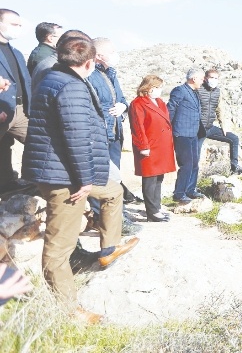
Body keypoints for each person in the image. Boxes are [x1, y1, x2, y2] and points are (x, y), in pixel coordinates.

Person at [21, 36, 139, 323]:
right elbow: (76, 138)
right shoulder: (70, 86)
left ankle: (108, 248)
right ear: (89, 62)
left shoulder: (55, 77)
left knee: (112, 192)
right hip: (65, 177)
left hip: (68, 170)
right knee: (58, 248)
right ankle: (68, 310)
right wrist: (84, 181)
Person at [86, 37, 143, 211]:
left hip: (115, 133)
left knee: (114, 175)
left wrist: (122, 106)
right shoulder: (90, 75)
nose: (115, 54)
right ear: (100, 55)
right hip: (100, 133)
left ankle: (114, 214)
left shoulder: (111, 73)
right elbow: (93, 105)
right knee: (100, 177)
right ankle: (99, 215)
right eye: (112, 52)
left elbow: (122, 98)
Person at [129, 75, 174, 222]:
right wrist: (143, 146)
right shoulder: (138, 104)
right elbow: (138, 127)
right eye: (157, 88)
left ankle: (157, 207)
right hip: (149, 145)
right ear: (148, 88)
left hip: (161, 145)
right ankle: (152, 212)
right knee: (150, 178)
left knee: (159, 177)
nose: (159, 91)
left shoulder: (160, 102)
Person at [0, 9, 32, 194]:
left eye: (20, 25)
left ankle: (28, 181)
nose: (18, 28)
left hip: (20, 110)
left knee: (38, 142)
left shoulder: (17, 52)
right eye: (14, 24)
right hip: (2, 108)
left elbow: (25, 81)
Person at [167, 68, 206, 205]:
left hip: (193, 133)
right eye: (201, 78)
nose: (203, 81)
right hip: (181, 133)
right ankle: (179, 194)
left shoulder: (195, 93)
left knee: (194, 164)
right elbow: (170, 110)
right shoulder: (179, 91)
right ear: (194, 79)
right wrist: (167, 131)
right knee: (186, 164)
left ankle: (190, 190)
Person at [197, 69, 242, 174]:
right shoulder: (199, 90)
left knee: (233, 139)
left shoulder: (217, 92)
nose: (213, 80)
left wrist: (223, 126)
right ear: (206, 78)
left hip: (210, 127)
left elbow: (219, 109)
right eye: (211, 77)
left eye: (216, 78)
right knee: (195, 156)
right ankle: (189, 185)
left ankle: (234, 167)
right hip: (198, 129)